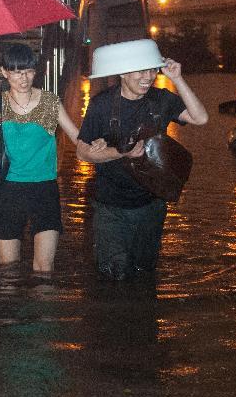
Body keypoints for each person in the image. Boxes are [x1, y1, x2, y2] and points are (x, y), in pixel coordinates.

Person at [76, 39, 208, 281]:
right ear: (124, 73)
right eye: (141, 70)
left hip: (152, 205)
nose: (148, 77)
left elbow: (200, 118)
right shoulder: (101, 104)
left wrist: (177, 78)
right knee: (112, 276)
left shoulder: (162, 100)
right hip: (111, 207)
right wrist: (121, 152)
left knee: (144, 273)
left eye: (152, 69)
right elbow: (83, 152)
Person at [0, 43, 103, 273]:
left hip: (44, 189)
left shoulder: (50, 102)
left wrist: (95, 144)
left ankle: (43, 307)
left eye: (29, 71)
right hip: (8, 190)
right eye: (17, 72)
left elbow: (76, 137)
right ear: (4, 72)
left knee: (44, 266)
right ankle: (11, 308)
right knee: (8, 267)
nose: (24, 78)